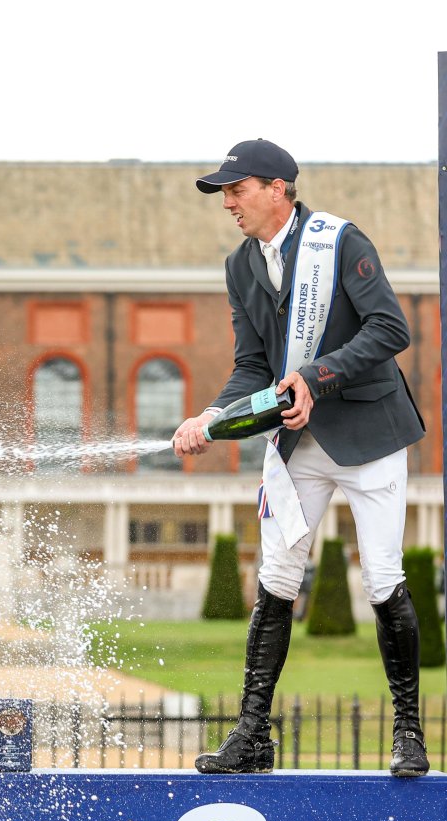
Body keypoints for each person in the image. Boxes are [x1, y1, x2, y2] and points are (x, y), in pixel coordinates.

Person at [173, 140, 428, 777]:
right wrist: (212, 415)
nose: (227, 202)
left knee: (381, 578)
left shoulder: (340, 241)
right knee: (277, 581)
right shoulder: (240, 266)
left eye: (236, 189)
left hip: (367, 434)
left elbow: (390, 329)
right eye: (224, 193)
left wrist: (317, 375)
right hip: (297, 443)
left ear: (278, 188)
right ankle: (252, 735)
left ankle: (408, 733)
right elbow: (253, 366)